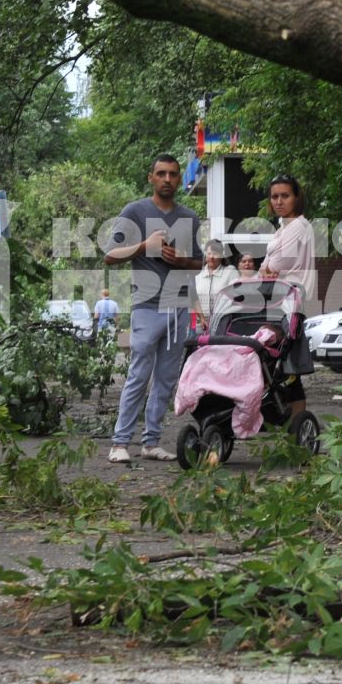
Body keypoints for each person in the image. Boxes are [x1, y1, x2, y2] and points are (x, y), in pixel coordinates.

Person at [103, 155, 202, 462]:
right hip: (147, 306)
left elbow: (198, 263)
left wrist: (180, 261)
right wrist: (145, 247)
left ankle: (151, 442)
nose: (168, 179)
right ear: (151, 178)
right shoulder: (135, 211)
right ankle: (120, 443)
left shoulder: (189, 216)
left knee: (166, 379)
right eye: (161, 174)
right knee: (138, 374)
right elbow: (109, 255)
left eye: (173, 174)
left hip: (179, 305)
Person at [259, 173, 318, 419]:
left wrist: (269, 267)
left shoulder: (299, 226)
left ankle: (297, 427)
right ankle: (289, 423)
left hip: (290, 304)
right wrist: (268, 268)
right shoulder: (282, 229)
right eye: (275, 197)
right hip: (278, 302)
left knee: (287, 367)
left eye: (285, 196)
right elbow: (265, 267)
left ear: (296, 197)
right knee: (278, 365)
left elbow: (277, 264)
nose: (279, 201)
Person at [191, 241, 239, 333]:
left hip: (222, 325)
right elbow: (193, 297)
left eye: (215, 254)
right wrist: (201, 318)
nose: (211, 257)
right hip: (199, 324)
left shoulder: (230, 271)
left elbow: (236, 297)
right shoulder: (198, 273)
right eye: (209, 253)